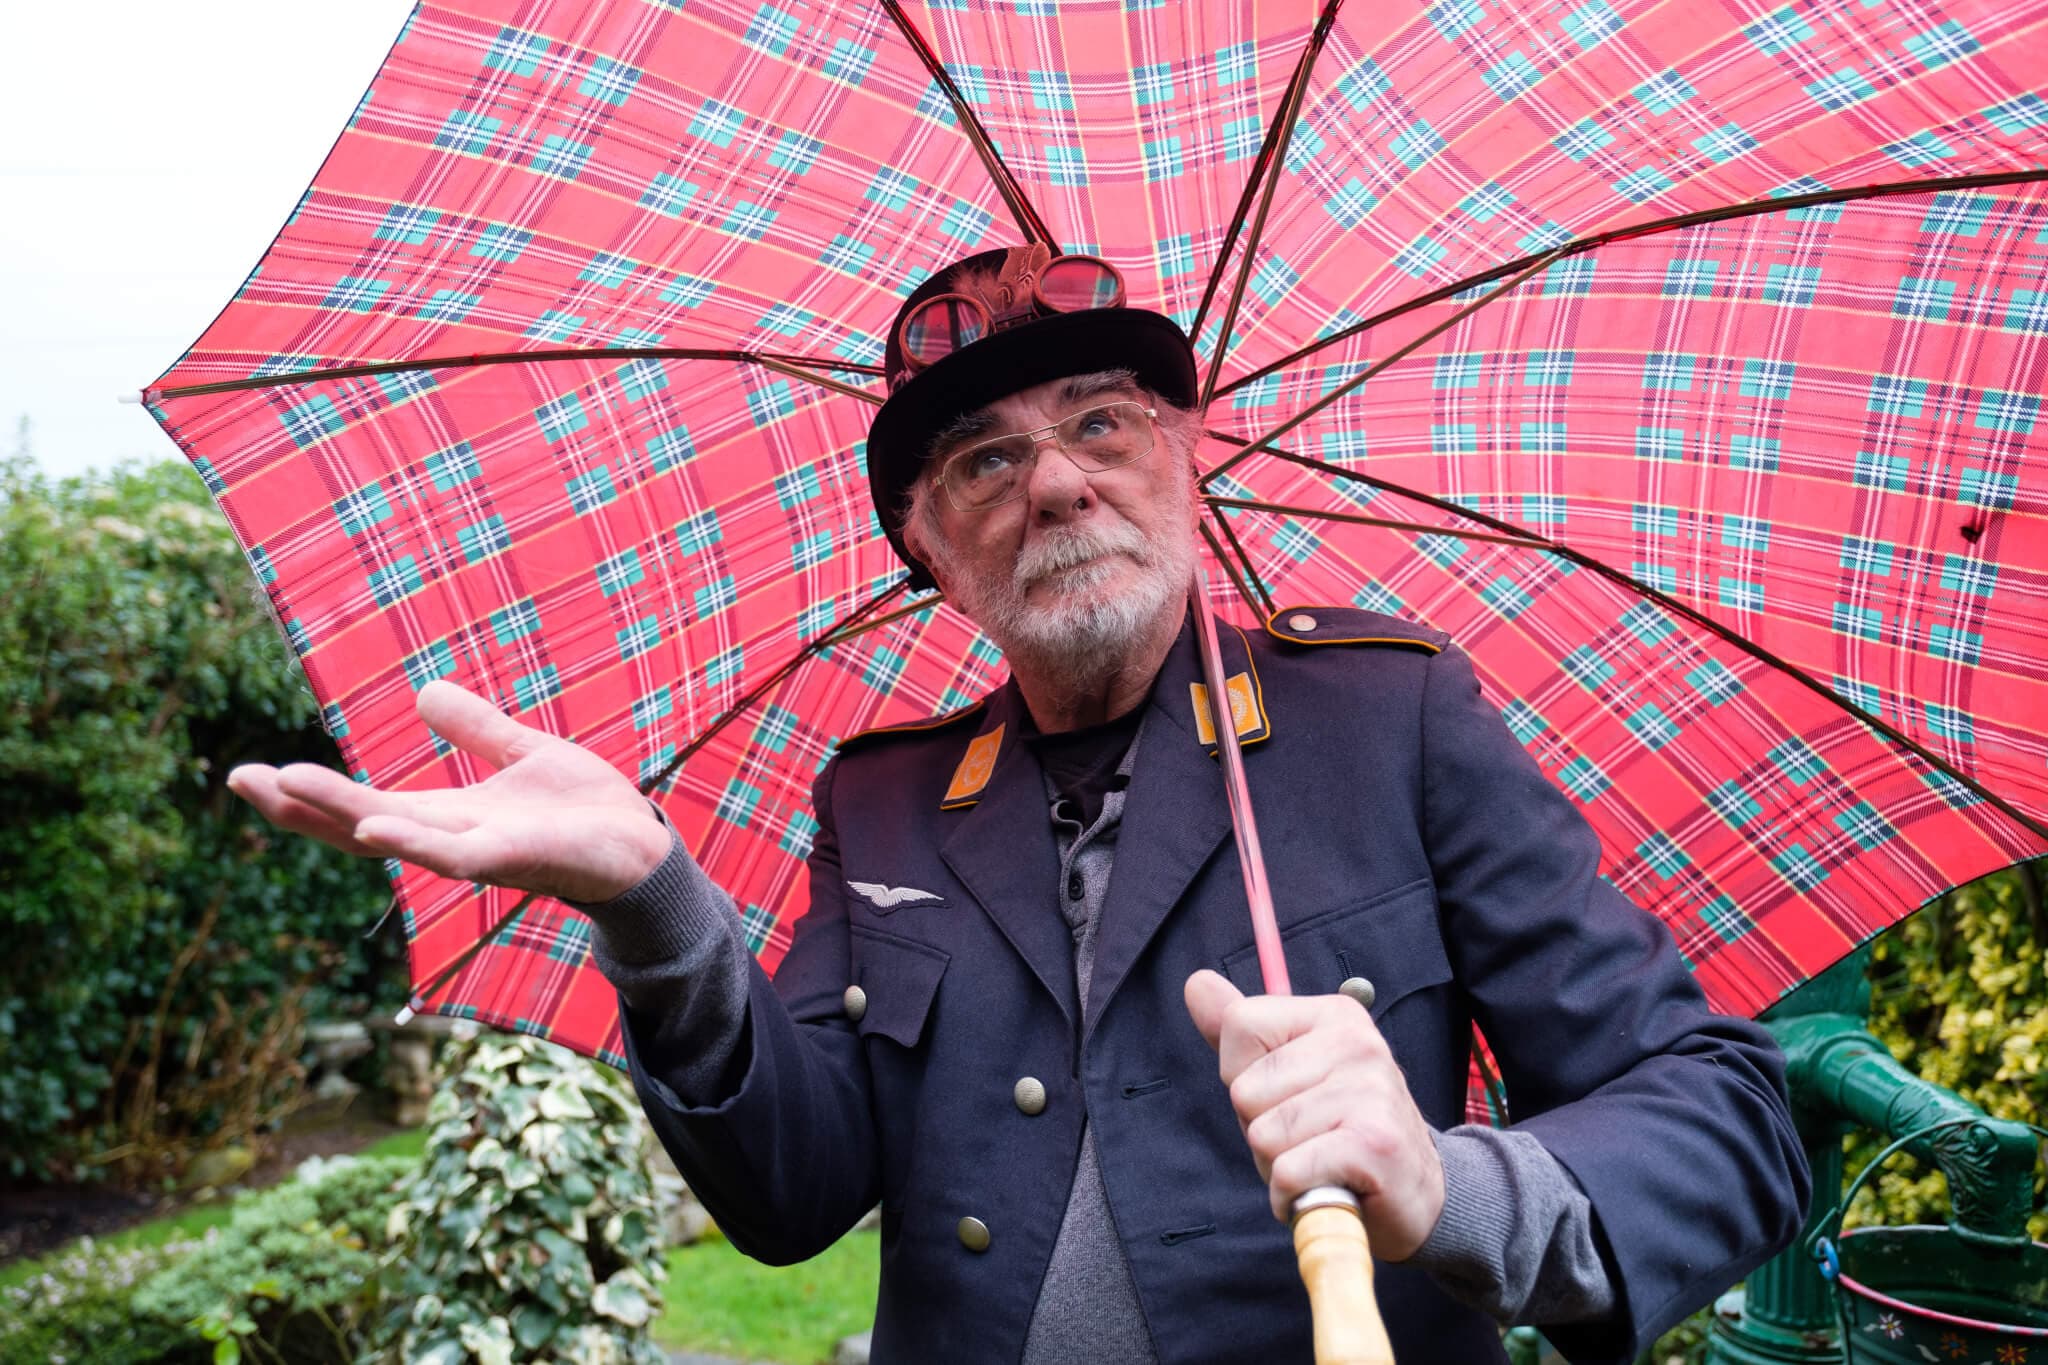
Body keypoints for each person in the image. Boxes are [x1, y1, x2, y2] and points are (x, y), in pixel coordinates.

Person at [230, 244, 1809, 1363]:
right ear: (928, 547)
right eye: (983, 461)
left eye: (1102, 425)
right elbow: (790, 1193)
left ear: (1185, 457)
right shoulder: (890, 803)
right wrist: (653, 895)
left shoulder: (1386, 719)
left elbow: (1728, 1116)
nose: (1055, 483)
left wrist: (1454, 1182)